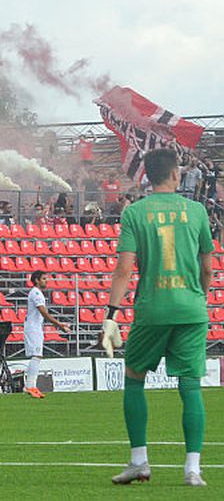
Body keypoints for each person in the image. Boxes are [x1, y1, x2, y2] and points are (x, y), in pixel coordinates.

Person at [103, 148, 214, 487]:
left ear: (146, 177)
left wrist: (111, 315)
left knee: (134, 378)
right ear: (177, 175)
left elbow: (124, 267)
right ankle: (192, 468)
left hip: (152, 309)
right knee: (191, 385)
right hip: (191, 310)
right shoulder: (196, 211)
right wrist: (198, 298)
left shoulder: (135, 212)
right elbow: (208, 267)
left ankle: (139, 461)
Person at [23, 270, 69, 398]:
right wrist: (59, 325)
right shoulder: (36, 293)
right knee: (36, 356)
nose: (46, 281)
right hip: (33, 328)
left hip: (36, 327)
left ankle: (31, 385)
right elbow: (43, 312)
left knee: (37, 356)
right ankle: (30, 386)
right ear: (37, 280)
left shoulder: (37, 293)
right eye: (43, 279)